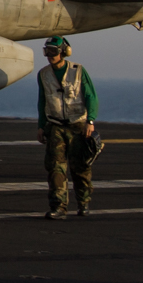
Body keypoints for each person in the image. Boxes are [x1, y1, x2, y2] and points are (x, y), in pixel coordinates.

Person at [36, 35, 98, 219]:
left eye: (53, 52)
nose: (50, 55)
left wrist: (91, 121)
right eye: (47, 52)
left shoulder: (78, 71)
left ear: (63, 52)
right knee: (56, 169)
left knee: (80, 169)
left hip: (78, 126)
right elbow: (42, 101)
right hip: (55, 126)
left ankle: (84, 202)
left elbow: (91, 96)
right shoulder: (43, 74)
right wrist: (41, 126)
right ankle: (59, 207)